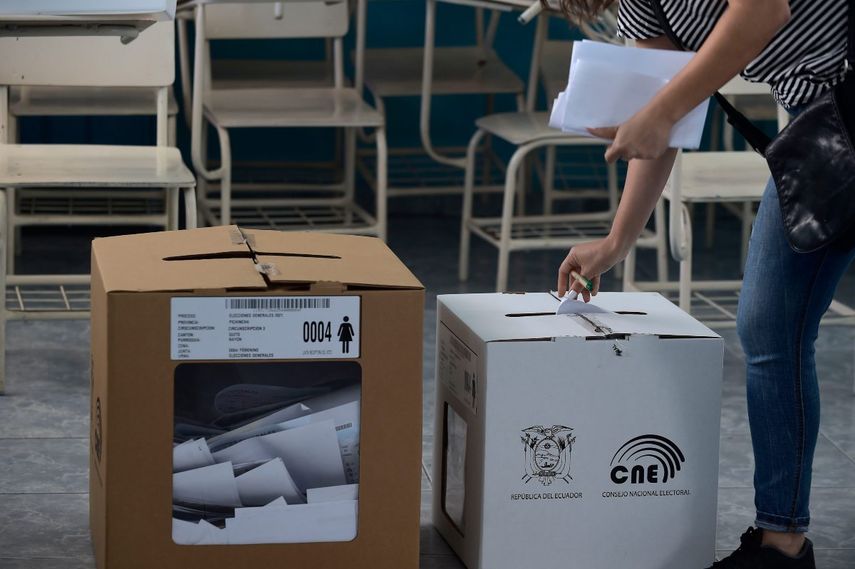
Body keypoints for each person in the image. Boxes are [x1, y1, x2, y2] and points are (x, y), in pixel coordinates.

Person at [552, 1, 853, 568]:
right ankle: (782, 545)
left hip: (841, 96)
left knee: (771, 324)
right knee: (770, 325)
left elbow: (762, 10)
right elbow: (660, 117)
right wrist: (616, 241)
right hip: (821, 124)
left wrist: (660, 109)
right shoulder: (642, 5)